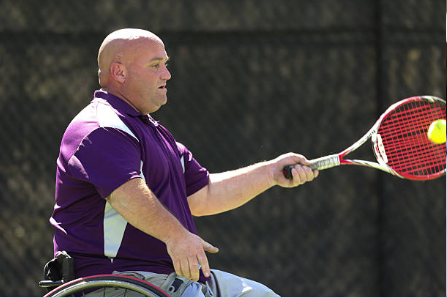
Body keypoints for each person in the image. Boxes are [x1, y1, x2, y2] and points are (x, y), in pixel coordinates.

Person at [50, 28, 318, 297]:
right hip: (116, 281)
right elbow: (126, 194)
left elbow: (204, 194)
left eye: (165, 64)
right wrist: (177, 236)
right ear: (119, 72)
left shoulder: (151, 131)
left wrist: (271, 172)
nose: (166, 74)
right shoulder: (101, 128)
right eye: (155, 65)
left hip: (174, 279)